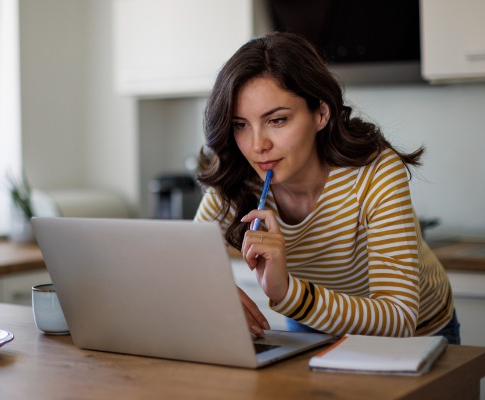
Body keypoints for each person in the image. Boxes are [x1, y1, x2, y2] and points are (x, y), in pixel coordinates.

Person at [193, 32, 460, 344]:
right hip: (313, 324)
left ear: (320, 114)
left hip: (417, 335)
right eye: (240, 125)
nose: (257, 146)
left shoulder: (375, 171)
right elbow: (186, 265)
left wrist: (288, 293)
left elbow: (399, 316)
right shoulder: (238, 176)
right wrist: (214, 292)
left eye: (277, 120)